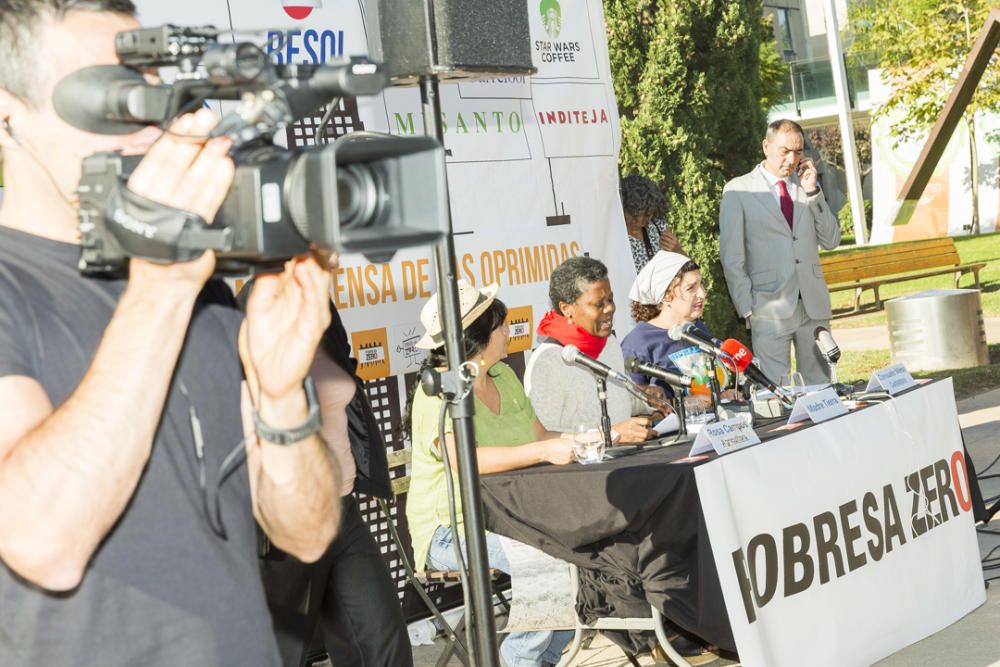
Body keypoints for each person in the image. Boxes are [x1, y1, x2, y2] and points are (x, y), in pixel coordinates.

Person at [0, 3, 346, 664]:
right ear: (5, 113)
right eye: (112, 94)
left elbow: (306, 532)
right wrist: (159, 286)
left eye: (152, 89)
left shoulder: (199, 281)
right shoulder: (150, 281)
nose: (144, 123)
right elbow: (44, 541)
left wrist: (279, 398)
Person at [232, 285, 411, 667]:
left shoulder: (324, 319)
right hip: (281, 524)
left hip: (343, 512)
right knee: (283, 654)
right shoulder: (251, 328)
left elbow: (347, 383)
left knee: (384, 642)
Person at [405, 279, 576, 667]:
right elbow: (464, 460)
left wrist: (598, 435)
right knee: (543, 559)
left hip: (509, 517)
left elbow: (541, 436)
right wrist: (544, 449)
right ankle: (521, 659)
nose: (507, 332)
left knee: (575, 546)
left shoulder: (505, 377)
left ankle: (537, 661)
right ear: (477, 338)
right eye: (500, 326)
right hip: (451, 530)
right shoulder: (438, 392)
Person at [718, 118, 840, 385]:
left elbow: (831, 240)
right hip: (768, 308)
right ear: (766, 146)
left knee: (822, 389)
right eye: (785, 151)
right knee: (777, 391)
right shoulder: (738, 190)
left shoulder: (806, 186)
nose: (792, 159)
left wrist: (814, 193)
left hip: (813, 304)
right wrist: (748, 309)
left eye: (798, 152)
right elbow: (731, 257)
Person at [524, 256, 664, 442]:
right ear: (566, 309)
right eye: (599, 304)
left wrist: (650, 402)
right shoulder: (546, 362)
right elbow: (546, 438)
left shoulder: (608, 342)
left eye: (610, 299)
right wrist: (612, 435)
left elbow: (617, 402)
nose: (609, 309)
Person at [621, 251, 722, 401]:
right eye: (691, 288)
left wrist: (724, 396)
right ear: (666, 296)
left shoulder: (697, 328)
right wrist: (684, 405)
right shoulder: (637, 344)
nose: (702, 294)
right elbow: (633, 406)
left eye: (701, 284)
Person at [619, 174, 683, 273]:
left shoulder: (659, 227)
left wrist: (678, 250)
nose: (648, 220)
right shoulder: (615, 238)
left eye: (649, 214)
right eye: (640, 215)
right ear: (625, 208)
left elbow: (686, 269)